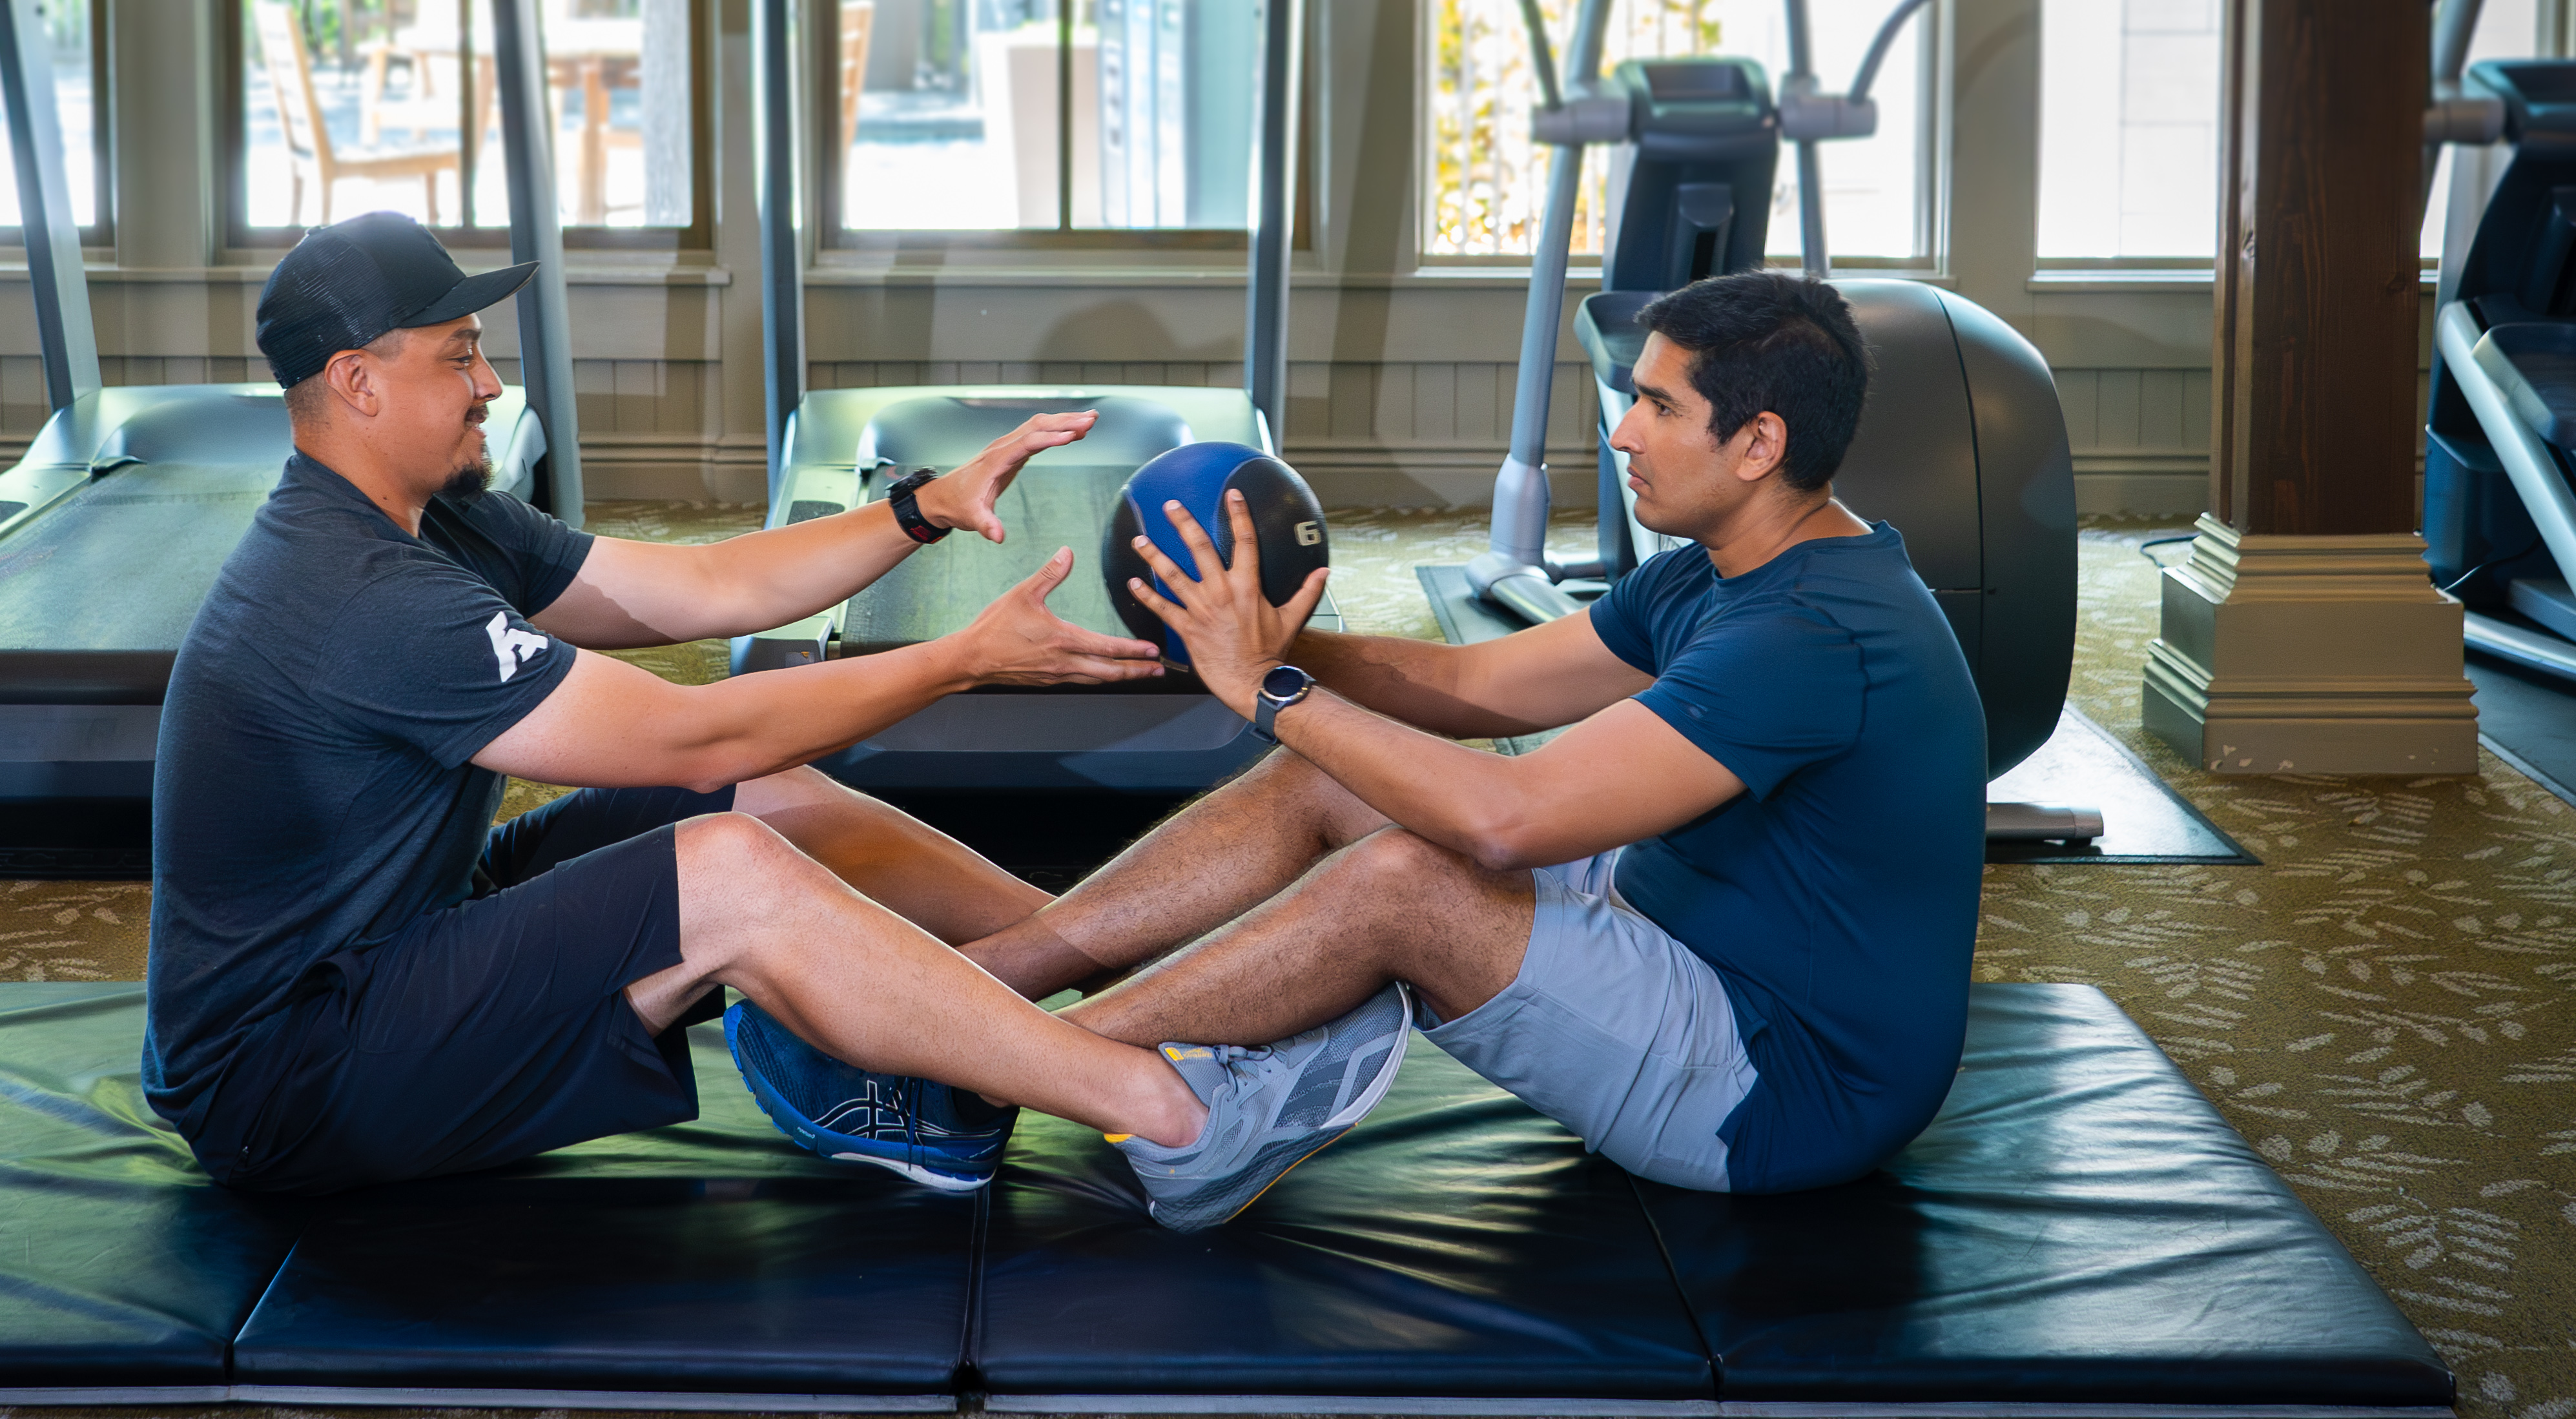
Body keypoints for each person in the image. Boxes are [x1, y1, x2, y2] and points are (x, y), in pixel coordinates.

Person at [141, 212, 1413, 1228]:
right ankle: (1174, 1116)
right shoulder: (350, 590)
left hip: (406, 940)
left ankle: (1105, 988)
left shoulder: (442, 517)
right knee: (730, 863)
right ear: (355, 382)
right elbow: (694, 733)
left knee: (777, 804)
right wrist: (960, 659)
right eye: (455, 354)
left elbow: (705, 586)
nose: (488, 382)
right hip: (288, 1074)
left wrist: (921, 506)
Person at [922, 270, 1988, 1209]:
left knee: (1407, 878)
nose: (1622, 433)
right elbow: (1473, 683)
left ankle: (986, 1065)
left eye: (1659, 406)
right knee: (1327, 777)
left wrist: (1267, 683)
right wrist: (1247, 636)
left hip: (1778, 1091)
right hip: (1692, 935)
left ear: (1759, 443)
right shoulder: (1728, 565)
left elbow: (1508, 823)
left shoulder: (1816, 633)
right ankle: (979, 978)